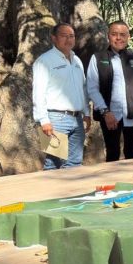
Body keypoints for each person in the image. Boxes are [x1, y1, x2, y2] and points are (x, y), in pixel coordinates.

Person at [87, 21, 133, 161]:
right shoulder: (98, 58)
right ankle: (112, 182)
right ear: (108, 36)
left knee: (131, 153)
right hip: (109, 116)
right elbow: (92, 88)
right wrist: (105, 112)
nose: (118, 38)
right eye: (114, 34)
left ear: (128, 37)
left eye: (123, 35)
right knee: (112, 153)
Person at [32, 23, 91, 170]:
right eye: (64, 36)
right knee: (53, 163)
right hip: (55, 119)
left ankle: (71, 192)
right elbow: (38, 92)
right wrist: (44, 120)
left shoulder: (76, 61)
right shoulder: (44, 61)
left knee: (75, 163)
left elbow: (82, 88)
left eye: (71, 36)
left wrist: (87, 113)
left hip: (77, 119)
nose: (68, 39)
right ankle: (51, 193)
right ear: (54, 38)